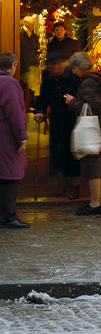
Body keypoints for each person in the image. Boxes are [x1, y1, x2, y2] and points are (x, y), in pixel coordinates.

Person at [63, 52, 101, 216]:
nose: (73, 72)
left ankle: (95, 204)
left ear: (78, 67)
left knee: (93, 167)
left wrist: (73, 102)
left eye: (74, 69)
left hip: (94, 129)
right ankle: (99, 200)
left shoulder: (88, 82)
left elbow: (94, 105)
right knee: (96, 165)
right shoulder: (97, 78)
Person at [33, 52, 81, 199]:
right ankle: (66, 185)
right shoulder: (48, 79)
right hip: (57, 121)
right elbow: (43, 98)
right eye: (51, 65)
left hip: (72, 120)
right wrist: (40, 111)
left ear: (65, 63)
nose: (54, 67)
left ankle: (74, 185)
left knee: (72, 154)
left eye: (57, 64)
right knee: (59, 153)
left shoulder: (74, 77)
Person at [0, 52, 29, 229]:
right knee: (9, 173)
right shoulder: (9, 83)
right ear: (12, 66)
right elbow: (15, 113)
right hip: (6, 136)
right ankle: (8, 216)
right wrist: (22, 137)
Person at [19, 17, 40, 97]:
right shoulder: (20, 34)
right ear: (25, 24)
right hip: (25, 64)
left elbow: (36, 48)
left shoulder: (33, 35)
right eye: (32, 24)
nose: (33, 26)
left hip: (33, 64)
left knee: (34, 88)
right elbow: (26, 49)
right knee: (27, 88)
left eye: (34, 24)